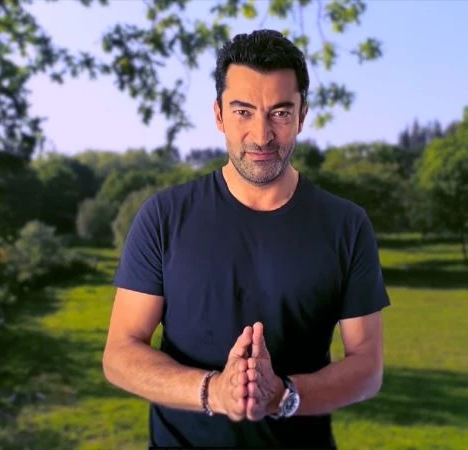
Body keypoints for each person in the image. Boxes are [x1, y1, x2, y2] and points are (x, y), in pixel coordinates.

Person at [102, 29, 390, 449]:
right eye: (243, 112)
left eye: (280, 113)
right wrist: (213, 392)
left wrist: (282, 396)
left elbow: (367, 367)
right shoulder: (163, 216)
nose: (261, 135)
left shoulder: (347, 225)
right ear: (219, 115)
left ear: (302, 116)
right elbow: (120, 354)